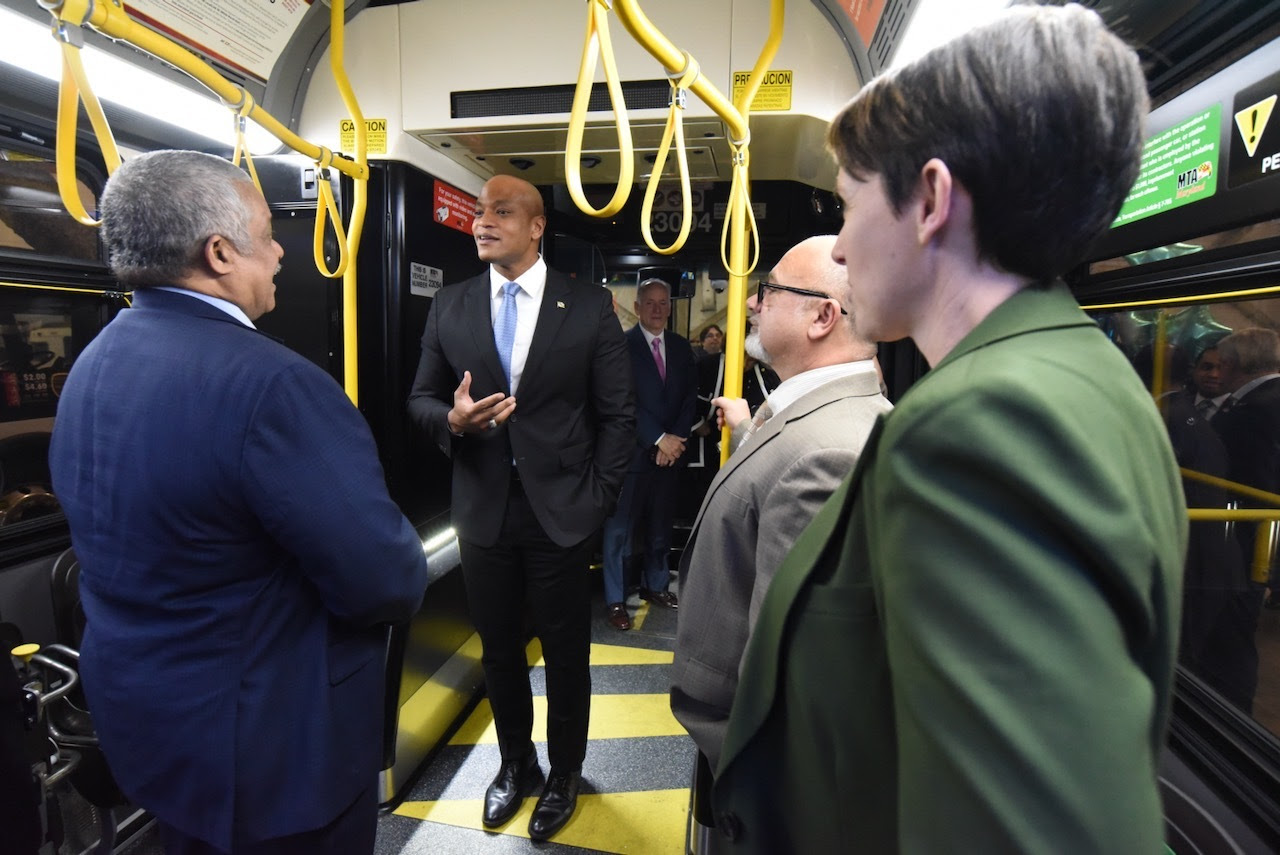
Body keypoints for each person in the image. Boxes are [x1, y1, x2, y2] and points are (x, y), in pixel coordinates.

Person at [712, 6, 1188, 852]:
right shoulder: (1080, 370)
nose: (841, 251)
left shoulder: (982, 426)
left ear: (930, 199)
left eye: (848, 204)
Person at [47, 150, 429, 855]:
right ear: (219, 252)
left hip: (152, 728)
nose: (282, 251)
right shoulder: (274, 386)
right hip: (273, 750)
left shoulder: (94, 362)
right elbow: (387, 579)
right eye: (268, 234)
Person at [406, 174, 634, 841]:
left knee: (565, 653)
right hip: (482, 511)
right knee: (499, 651)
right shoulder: (450, 305)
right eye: (479, 212)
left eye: (500, 212)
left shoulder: (587, 306)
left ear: (536, 227)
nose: (482, 222)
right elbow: (420, 399)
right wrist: (451, 420)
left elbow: (618, 417)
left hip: (562, 512)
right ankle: (516, 763)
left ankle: (566, 771)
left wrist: (597, 501)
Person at [671, 235, 890, 776]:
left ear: (822, 317)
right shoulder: (823, 416)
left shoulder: (829, 456)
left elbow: (791, 675)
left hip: (749, 755)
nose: (751, 302)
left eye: (768, 291)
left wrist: (749, 778)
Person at [601, 277, 697, 630]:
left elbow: (689, 397)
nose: (657, 309)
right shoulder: (621, 346)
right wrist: (657, 439)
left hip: (670, 456)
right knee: (619, 531)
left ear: (670, 307)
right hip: (632, 455)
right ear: (637, 307)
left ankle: (655, 585)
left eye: (663, 302)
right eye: (650, 303)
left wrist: (675, 440)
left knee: (660, 525)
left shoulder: (681, 347)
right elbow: (622, 399)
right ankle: (615, 599)